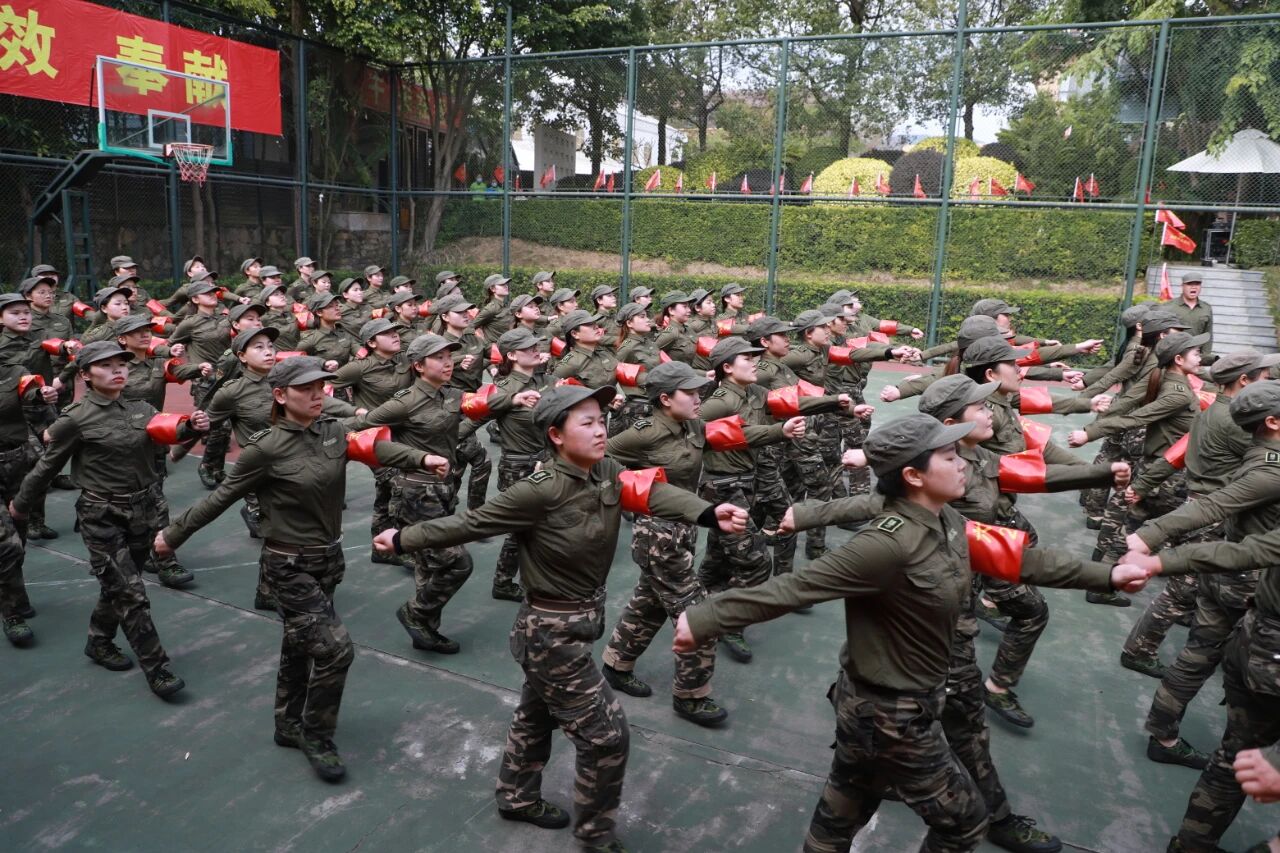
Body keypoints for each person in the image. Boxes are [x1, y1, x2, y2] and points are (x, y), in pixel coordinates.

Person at [674, 413, 1149, 853]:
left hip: (891, 703)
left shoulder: (948, 520)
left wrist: (1107, 575)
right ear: (913, 475)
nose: (962, 463)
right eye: (948, 456)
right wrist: (703, 619)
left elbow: (1021, 559)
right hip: (890, 715)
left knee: (846, 804)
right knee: (964, 823)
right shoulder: (887, 543)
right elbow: (797, 587)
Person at [373, 383, 748, 853]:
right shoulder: (540, 490)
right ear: (555, 434)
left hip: (577, 625)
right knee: (607, 736)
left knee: (536, 716)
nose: (601, 430)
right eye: (586, 423)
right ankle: (595, 836)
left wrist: (708, 513)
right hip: (550, 636)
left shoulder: (606, 470)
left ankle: (515, 796)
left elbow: (655, 492)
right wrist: (402, 539)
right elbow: (471, 523)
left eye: (600, 420)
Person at [155, 355, 444, 781]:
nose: (316, 395)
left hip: (328, 559)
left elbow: (375, 447)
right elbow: (221, 497)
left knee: (300, 644)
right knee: (335, 650)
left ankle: (287, 723)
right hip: (287, 564)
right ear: (280, 395)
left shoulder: (332, 431)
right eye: (305, 388)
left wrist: (420, 459)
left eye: (320, 387)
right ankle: (316, 734)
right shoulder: (266, 448)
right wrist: (173, 535)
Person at [12, 341, 212, 698]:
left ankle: (99, 641)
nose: (117, 370)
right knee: (131, 594)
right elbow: (47, 466)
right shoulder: (75, 418)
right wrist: (21, 506)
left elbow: (168, 434)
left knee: (117, 587)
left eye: (121, 364)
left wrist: (193, 427)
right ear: (86, 374)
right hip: (102, 516)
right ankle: (157, 668)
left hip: (143, 511)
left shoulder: (141, 408)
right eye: (105, 366)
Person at [603, 360, 796, 728]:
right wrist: (633, 492)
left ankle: (616, 663)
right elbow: (598, 459)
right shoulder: (645, 432)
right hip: (658, 536)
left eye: (698, 391)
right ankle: (691, 696)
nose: (698, 398)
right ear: (664, 399)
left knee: (649, 604)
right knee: (700, 619)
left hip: (684, 530)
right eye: (689, 393)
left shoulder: (691, 425)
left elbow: (734, 434)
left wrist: (780, 430)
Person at [1125, 372, 1280, 771]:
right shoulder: (1271, 470)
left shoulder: (1258, 455)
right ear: (1272, 422)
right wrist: (1150, 535)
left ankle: (1162, 734)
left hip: (1224, 572)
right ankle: (1237, 756)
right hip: (1246, 580)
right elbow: (1212, 505)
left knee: (1196, 654)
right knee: (1229, 666)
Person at [1069, 330, 1203, 645]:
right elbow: (1135, 415)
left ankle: (1102, 579)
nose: (1201, 357)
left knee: (1132, 525)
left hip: (1159, 469)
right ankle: (1174, 600)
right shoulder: (1177, 393)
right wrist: (1090, 432)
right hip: (1165, 475)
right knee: (1176, 533)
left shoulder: (1170, 381)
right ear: (1179, 360)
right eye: (1196, 353)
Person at [353, 334, 479, 654]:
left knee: (428, 563)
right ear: (419, 366)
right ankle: (415, 613)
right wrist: (398, 462)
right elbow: (361, 429)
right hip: (415, 493)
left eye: (449, 356)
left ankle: (426, 630)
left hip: (442, 490)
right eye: (439, 357)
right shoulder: (405, 401)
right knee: (458, 562)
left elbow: (476, 413)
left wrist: (515, 399)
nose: (448, 362)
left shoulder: (451, 395)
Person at [699, 334, 810, 663]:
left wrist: (840, 404)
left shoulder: (755, 393)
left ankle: (699, 601)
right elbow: (691, 427)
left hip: (745, 483)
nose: (754, 362)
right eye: (747, 358)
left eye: (754, 357)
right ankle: (728, 622)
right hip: (723, 487)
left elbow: (796, 402)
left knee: (718, 556)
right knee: (757, 561)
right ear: (727, 367)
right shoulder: (721, 401)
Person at [458, 327, 550, 601]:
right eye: (528, 348)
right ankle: (503, 582)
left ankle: (535, 576)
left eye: (536, 345)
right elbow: (468, 425)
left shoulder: (547, 379)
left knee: (545, 524)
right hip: (518, 467)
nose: (536, 350)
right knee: (521, 529)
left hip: (547, 461)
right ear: (512, 355)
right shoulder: (503, 390)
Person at [112, 311, 200, 589]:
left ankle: (164, 560)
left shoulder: (157, 363)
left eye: (147, 330)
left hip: (153, 441)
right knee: (127, 505)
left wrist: (202, 368)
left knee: (156, 501)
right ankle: (139, 549)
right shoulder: (114, 368)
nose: (144, 334)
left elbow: (180, 371)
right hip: (121, 445)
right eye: (136, 331)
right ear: (122, 339)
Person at [330, 318, 413, 565]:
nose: (395, 335)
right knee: (398, 483)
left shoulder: (405, 360)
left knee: (388, 490)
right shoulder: (359, 368)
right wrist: (351, 411)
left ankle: (382, 549)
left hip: (401, 434)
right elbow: (321, 387)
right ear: (372, 342)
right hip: (373, 437)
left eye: (395, 331)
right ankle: (399, 546)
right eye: (387, 333)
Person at [169, 274, 234, 489]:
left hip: (226, 376)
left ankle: (217, 468)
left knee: (223, 425)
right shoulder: (189, 324)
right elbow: (170, 347)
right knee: (219, 424)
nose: (212, 295)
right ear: (195, 299)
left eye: (213, 292)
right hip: (204, 381)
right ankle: (206, 465)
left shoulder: (224, 318)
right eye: (206, 293)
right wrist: (182, 358)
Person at [435, 294, 492, 512]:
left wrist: (495, 366)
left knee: (457, 465)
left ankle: (449, 509)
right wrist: (456, 363)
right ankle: (474, 513)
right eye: (459, 312)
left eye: (466, 311)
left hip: (471, 405)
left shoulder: (472, 338)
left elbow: (489, 355)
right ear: (445, 317)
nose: (466, 315)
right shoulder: (439, 345)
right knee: (480, 461)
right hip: (451, 409)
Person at [611, 303, 662, 434]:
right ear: (629, 323)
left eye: (647, 316)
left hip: (656, 403)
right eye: (642, 317)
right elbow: (612, 374)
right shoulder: (627, 348)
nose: (648, 320)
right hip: (638, 409)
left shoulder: (650, 344)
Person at [299, 292, 357, 370]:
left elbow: (360, 352)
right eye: (330, 306)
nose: (337, 308)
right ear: (319, 312)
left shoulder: (343, 332)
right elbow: (296, 362)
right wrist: (322, 364)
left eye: (337, 305)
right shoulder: (311, 340)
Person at [1168, 276, 1214, 364]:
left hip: (1195, 358)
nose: (1194, 287)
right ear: (1182, 286)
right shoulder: (1169, 307)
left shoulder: (1206, 308)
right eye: (1189, 284)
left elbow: (1208, 334)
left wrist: (1204, 358)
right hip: (1174, 357)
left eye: (1197, 284)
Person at [475, 274, 514, 344]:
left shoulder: (506, 305)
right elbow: (470, 327)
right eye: (502, 284)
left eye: (506, 284)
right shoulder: (491, 308)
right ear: (493, 289)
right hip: (497, 349)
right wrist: (483, 345)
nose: (506, 286)